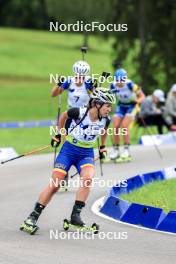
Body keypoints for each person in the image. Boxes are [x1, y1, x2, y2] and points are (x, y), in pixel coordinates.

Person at [20, 88, 116, 233]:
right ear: (97, 104)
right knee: (56, 184)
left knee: (88, 179)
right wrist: (58, 134)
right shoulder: (79, 112)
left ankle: (75, 217)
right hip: (69, 150)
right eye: (108, 105)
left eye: (111, 106)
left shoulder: (106, 120)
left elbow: (103, 132)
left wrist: (102, 147)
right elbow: (64, 115)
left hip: (86, 153)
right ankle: (32, 217)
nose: (110, 109)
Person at [109, 68, 145, 161]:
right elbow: (110, 97)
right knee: (115, 127)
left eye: (122, 81)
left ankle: (126, 150)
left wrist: (137, 101)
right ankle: (116, 150)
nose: (120, 83)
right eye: (117, 80)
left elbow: (142, 96)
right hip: (121, 106)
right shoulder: (112, 85)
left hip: (132, 106)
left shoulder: (131, 84)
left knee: (124, 126)